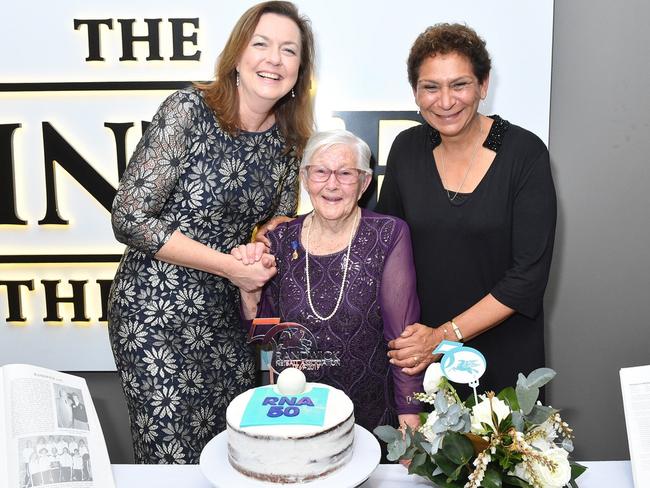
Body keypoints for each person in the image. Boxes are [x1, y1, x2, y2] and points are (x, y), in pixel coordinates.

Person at [107, 1, 315, 463]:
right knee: (172, 459)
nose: (273, 59)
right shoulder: (188, 109)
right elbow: (129, 216)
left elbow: (270, 230)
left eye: (289, 50)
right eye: (260, 44)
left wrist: (260, 256)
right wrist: (229, 266)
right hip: (155, 314)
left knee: (227, 455)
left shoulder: (288, 142)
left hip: (227, 319)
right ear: (237, 53)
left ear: (301, 70)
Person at [376, 23, 557, 397]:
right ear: (415, 92)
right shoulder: (406, 150)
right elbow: (383, 245)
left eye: (459, 84)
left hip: (504, 357)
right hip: (422, 362)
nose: (445, 101)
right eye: (431, 87)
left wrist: (443, 336)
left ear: (483, 85)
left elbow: (527, 277)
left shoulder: (525, 154)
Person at [233, 130, 423, 433]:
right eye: (320, 171)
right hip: (294, 412)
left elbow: (403, 336)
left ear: (364, 183)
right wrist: (249, 290)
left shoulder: (389, 234)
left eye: (346, 173)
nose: (332, 184)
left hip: (368, 412)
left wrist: (409, 414)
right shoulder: (280, 239)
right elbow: (263, 337)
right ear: (306, 178)